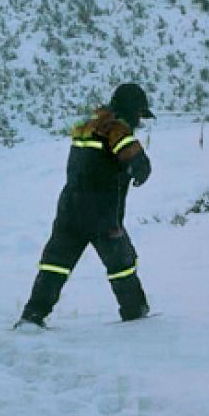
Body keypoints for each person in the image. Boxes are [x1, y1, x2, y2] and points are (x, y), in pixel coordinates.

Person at [16, 82, 155, 326]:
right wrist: (139, 169)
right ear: (132, 110)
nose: (139, 123)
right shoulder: (116, 130)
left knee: (55, 264)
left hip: (70, 209)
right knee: (121, 264)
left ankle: (33, 314)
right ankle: (135, 313)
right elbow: (138, 161)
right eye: (139, 116)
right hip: (102, 215)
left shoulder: (88, 127)